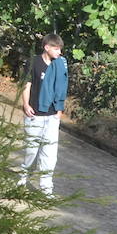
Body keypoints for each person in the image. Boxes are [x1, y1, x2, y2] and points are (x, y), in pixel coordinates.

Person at [17, 33, 68, 196]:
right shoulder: (34, 62)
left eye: (60, 48)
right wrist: (25, 104)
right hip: (35, 114)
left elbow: (62, 87)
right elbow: (27, 85)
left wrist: (59, 111)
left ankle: (46, 187)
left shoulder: (60, 64)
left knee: (50, 154)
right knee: (31, 150)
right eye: (56, 48)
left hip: (52, 115)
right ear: (46, 47)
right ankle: (24, 175)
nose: (59, 52)